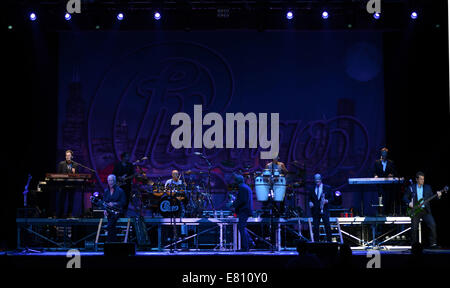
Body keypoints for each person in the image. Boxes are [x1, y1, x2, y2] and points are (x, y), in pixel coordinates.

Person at [403, 172, 442, 249]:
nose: (422, 181)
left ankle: (433, 244)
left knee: (432, 224)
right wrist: (409, 203)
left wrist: (438, 196)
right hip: (415, 211)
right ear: (416, 179)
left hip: (425, 210)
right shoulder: (411, 187)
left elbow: (433, 197)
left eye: (423, 179)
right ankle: (414, 245)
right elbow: (404, 197)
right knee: (414, 227)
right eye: (420, 179)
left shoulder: (428, 187)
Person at [231, 173, 254, 252]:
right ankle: (250, 243)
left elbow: (242, 200)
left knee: (241, 227)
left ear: (237, 181)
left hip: (244, 210)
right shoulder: (245, 187)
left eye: (235, 181)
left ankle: (245, 247)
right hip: (246, 210)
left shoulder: (242, 187)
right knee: (242, 227)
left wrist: (232, 204)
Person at [308, 174, 333, 242]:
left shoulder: (327, 188)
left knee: (327, 226)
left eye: (318, 180)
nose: (317, 182)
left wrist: (327, 201)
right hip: (315, 211)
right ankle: (316, 243)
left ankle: (329, 242)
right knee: (316, 227)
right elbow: (309, 198)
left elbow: (332, 198)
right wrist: (310, 202)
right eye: (316, 181)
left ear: (321, 180)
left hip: (324, 210)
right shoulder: (312, 188)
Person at [373, 147, 397, 215]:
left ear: (387, 154)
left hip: (388, 185)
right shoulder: (377, 162)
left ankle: (388, 212)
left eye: (385, 154)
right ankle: (380, 212)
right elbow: (374, 172)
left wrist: (391, 174)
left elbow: (394, 172)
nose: (384, 155)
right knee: (380, 198)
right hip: (380, 185)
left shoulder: (391, 162)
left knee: (388, 199)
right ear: (381, 154)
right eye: (383, 153)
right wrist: (375, 176)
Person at [103, 174, 127, 242]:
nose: (110, 182)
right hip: (109, 211)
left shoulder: (120, 191)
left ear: (115, 181)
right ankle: (113, 241)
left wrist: (114, 204)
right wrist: (105, 209)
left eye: (112, 180)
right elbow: (104, 202)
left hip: (118, 211)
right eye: (109, 180)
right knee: (112, 227)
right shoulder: (106, 191)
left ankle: (109, 239)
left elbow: (123, 202)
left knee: (111, 225)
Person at [56, 150, 79, 217]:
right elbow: (58, 174)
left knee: (71, 201)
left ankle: (69, 214)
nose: (67, 157)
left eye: (69, 155)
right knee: (61, 201)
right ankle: (61, 214)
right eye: (66, 155)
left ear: (72, 156)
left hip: (72, 185)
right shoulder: (61, 164)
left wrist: (74, 173)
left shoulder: (75, 165)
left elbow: (78, 176)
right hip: (63, 185)